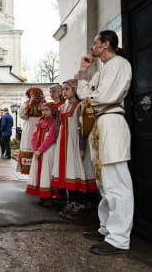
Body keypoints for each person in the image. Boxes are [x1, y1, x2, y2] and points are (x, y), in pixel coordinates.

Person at [78, 30, 133, 255]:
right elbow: (83, 92)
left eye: (95, 43)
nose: (92, 47)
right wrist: (83, 70)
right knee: (103, 181)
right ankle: (106, 228)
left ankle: (119, 240)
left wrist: (89, 99)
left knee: (116, 182)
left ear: (105, 44)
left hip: (111, 121)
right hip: (99, 124)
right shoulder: (101, 70)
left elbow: (105, 96)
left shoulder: (119, 64)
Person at [51, 79, 97, 220]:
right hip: (64, 144)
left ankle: (79, 203)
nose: (64, 92)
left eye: (67, 89)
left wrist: (82, 147)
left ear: (75, 90)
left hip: (74, 143)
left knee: (76, 171)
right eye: (63, 89)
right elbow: (59, 126)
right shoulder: (63, 107)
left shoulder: (80, 106)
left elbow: (83, 128)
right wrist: (58, 142)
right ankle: (71, 201)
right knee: (67, 172)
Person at [27, 102, 58, 207]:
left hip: (48, 151)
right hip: (38, 152)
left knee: (47, 172)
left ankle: (49, 196)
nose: (44, 112)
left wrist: (40, 150)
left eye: (47, 110)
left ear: (53, 110)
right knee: (39, 173)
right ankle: (42, 194)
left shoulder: (54, 122)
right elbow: (34, 135)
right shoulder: (40, 122)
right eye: (43, 110)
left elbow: (50, 138)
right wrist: (35, 149)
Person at [18, 88, 44, 174]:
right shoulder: (25, 103)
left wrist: (42, 101)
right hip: (29, 127)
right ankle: (29, 170)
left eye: (37, 95)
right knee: (29, 145)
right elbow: (23, 116)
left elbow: (46, 114)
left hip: (41, 127)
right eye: (33, 95)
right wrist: (30, 103)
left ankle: (40, 169)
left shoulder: (43, 103)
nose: (35, 97)